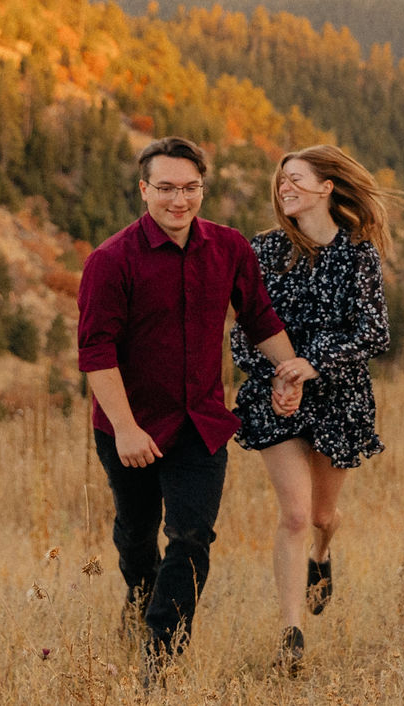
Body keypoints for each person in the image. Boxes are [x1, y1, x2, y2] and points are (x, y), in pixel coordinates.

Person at [77, 136, 301, 686]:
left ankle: (160, 657)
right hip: (129, 428)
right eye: (167, 188)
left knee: (191, 538)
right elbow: (96, 352)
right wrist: (127, 429)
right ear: (144, 190)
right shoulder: (110, 261)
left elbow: (259, 318)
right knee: (136, 535)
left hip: (201, 424)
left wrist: (289, 370)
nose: (179, 200)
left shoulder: (228, 249)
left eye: (190, 188)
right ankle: (138, 592)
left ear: (203, 187)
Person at [230, 144, 404, 676]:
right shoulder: (261, 252)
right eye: (281, 180)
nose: (284, 186)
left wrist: (312, 366)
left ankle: (322, 556)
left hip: (340, 398)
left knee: (324, 518)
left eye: (297, 178)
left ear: (328, 187)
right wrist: (279, 378)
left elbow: (374, 332)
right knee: (295, 515)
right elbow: (244, 335)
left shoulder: (358, 253)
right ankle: (292, 635)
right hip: (276, 399)